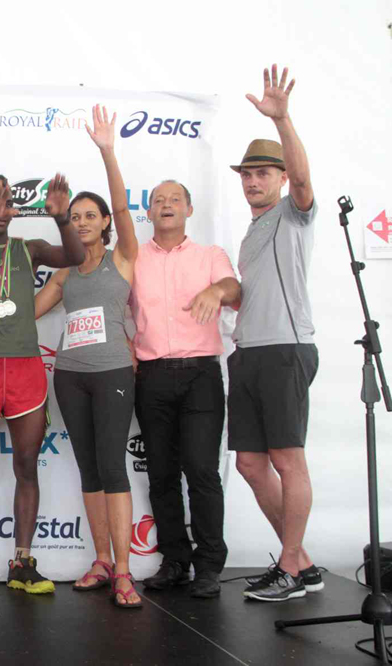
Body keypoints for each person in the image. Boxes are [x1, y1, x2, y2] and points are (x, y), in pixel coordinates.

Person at [0, 172, 86, 597]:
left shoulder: (30, 249)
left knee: (27, 466)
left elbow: (76, 256)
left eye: (7, 203)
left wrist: (62, 218)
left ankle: (22, 562)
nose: (1, 210)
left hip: (26, 370)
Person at [35, 105, 141, 608]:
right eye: (74, 217)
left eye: (89, 216)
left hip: (114, 372)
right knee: (89, 470)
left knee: (113, 468)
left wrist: (107, 152)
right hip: (70, 377)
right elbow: (24, 316)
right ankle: (101, 560)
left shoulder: (123, 258)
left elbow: (122, 205)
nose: (81, 222)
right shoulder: (64, 274)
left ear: (105, 224)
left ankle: (124, 571)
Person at [229, 65, 322, 602]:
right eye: (246, 174)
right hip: (248, 354)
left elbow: (306, 181)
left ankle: (289, 566)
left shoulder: (293, 212)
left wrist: (282, 120)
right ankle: (301, 562)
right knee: (249, 463)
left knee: (288, 461)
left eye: (263, 173)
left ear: (281, 178)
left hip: (286, 349)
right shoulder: (251, 230)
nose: (252, 181)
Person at [128, 180, 239, 599]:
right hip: (151, 375)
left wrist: (216, 289)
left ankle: (209, 565)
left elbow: (234, 289)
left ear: (189, 209)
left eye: (175, 199)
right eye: (158, 200)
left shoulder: (210, 256)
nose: (166, 205)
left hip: (201, 376)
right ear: (149, 212)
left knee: (202, 471)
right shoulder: (134, 258)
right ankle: (175, 561)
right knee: (161, 474)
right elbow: (111, 302)